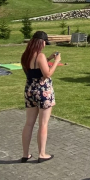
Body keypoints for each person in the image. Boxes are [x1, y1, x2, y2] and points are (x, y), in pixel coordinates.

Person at [20, 31, 61, 163]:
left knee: (29, 123)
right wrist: (56, 62)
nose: (44, 45)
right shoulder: (40, 55)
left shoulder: (26, 55)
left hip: (29, 91)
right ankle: (42, 154)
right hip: (43, 92)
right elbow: (47, 74)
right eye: (44, 43)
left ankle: (25, 154)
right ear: (41, 42)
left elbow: (34, 69)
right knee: (43, 124)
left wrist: (48, 58)